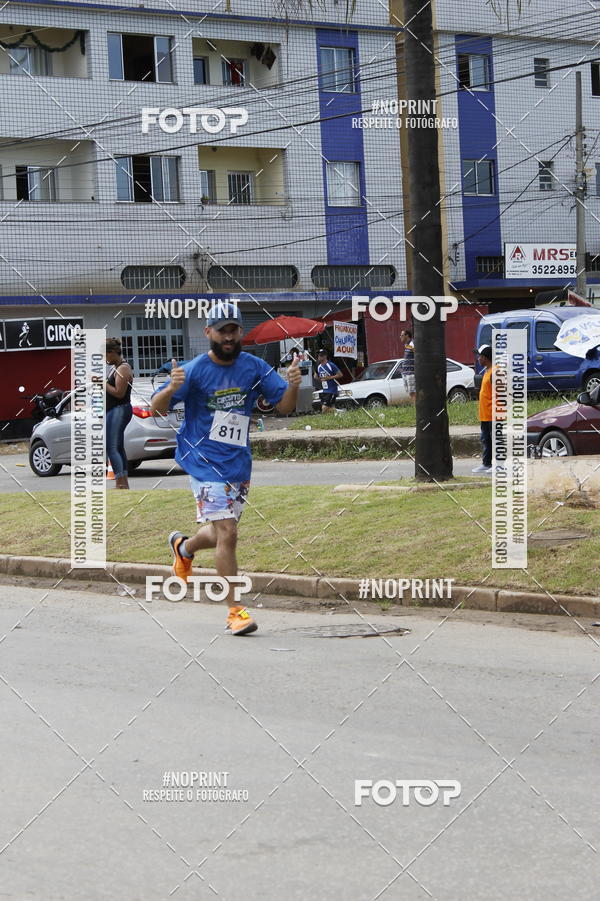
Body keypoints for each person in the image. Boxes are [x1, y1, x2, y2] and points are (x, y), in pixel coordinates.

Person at [150, 301, 301, 636]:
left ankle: (183, 547)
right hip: (202, 462)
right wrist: (172, 390)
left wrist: (292, 384)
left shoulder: (254, 367)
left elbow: (285, 407)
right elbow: (157, 409)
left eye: (233, 329)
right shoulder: (193, 371)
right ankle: (235, 612)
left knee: (218, 534)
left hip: (237, 463)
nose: (229, 336)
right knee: (229, 534)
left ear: (239, 331)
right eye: (222, 330)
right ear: (208, 333)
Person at [105, 337, 134, 489]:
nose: (105, 359)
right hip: (114, 410)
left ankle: (120, 482)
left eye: (105, 355)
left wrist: (102, 384)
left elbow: (119, 393)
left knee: (111, 447)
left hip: (119, 409)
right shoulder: (115, 367)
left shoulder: (123, 368)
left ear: (112, 353)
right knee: (118, 446)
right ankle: (123, 482)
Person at [472, 344, 504, 474]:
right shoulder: (487, 371)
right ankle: (486, 463)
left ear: (485, 358)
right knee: (486, 438)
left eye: (479, 356)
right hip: (485, 413)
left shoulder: (496, 372)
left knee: (496, 439)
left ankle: (500, 464)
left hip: (494, 413)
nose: (478, 359)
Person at [400, 328, 415, 403]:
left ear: (407, 335)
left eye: (402, 335)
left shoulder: (412, 344)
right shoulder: (406, 345)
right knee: (410, 392)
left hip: (411, 373)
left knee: (413, 392)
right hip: (406, 373)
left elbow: (418, 356)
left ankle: (417, 409)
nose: (400, 337)